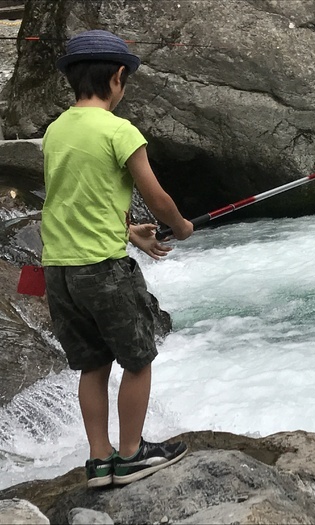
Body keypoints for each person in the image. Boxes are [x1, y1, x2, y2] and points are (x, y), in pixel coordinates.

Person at [41, 29, 194, 488]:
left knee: (92, 363)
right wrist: (181, 227)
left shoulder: (55, 130)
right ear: (118, 77)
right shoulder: (119, 130)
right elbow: (158, 197)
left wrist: (130, 232)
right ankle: (131, 455)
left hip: (58, 270)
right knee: (138, 359)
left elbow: (71, 201)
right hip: (103, 270)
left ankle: (99, 460)